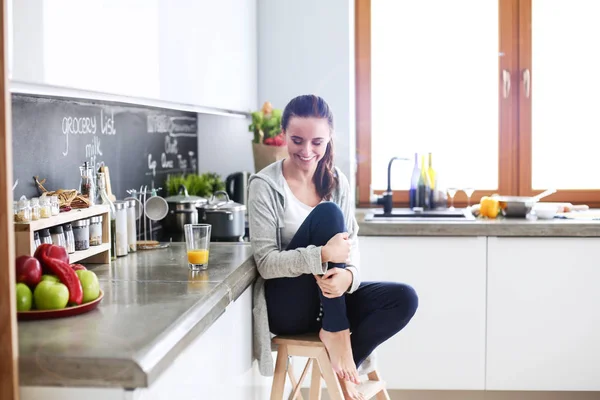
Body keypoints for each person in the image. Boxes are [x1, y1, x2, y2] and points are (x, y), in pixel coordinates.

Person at [248, 94, 418, 400]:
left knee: (404, 298)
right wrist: (323, 255)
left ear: (329, 139)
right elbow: (266, 264)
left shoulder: (337, 182)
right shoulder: (264, 185)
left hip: (327, 302)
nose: (306, 150)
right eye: (297, 140)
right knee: (328, 215)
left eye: (317, 142)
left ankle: (345, 354)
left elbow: (351, 249)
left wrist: (349, 277)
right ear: (283, 135)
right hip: (288, 306)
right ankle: (336, 331)